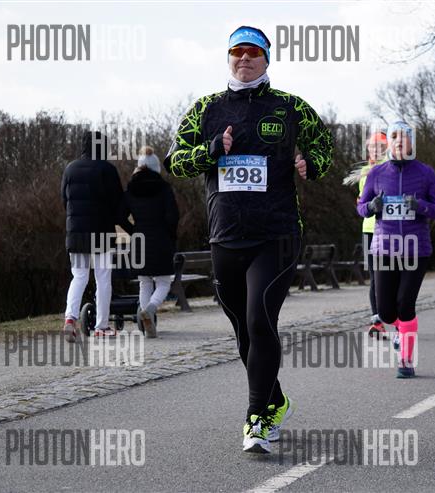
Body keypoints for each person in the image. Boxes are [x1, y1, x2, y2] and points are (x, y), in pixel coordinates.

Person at [164, 26, 333, 454]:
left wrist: (310, 163)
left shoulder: (291, 107)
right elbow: (175, 161)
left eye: (253, 52)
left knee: (260, 319)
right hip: (225, 236)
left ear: (266, 59)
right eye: (237, 51)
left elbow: (324, 147)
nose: (244, 58)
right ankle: (276, 400)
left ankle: (257, 417)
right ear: (228, 58)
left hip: (277, 234)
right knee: (243, 329)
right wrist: (209, 151)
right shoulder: (206, 108)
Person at [357, 120, 435, 378]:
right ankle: (401, 329)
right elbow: (361, 207)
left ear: (412, 143)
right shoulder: (376, 173)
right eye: (395, 136)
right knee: (386, 312)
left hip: (415, 249)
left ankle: (406, 361)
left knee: (405, 304)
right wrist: (371, 207)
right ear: (390, 142)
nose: (399, 141)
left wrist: (421, 206)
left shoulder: (426, 173)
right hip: (384, 249)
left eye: (405, 136)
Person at [61, 131, 124, 341]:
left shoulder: (70, 169)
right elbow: (118, 204)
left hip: (76, 233)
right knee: (103, 279)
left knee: (79, 277)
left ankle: (70, 319)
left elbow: (65, 201)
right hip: (101, 232)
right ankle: (101, 327)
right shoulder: (107, 169)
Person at [119, 146, 179, 338]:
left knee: (144, 283)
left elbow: (119, 216)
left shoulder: (131, 189)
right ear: (156, 168)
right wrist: (170, 236)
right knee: (163, 283)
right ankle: (150, 310)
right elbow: (173, 217)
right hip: (161, 239)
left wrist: (134, 231)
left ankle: (147, 325)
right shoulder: (164, 188)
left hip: (139, 241)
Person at [358, 131, 389, 338]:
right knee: (374, 278)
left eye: (380, 147)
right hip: (369, 229)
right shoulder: (364, 172)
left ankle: (398, 319)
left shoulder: (393, 168)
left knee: (391, 276)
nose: (375, 150)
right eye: (372, 147)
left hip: (389, 229)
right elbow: (362, 201)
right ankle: (377, 322)